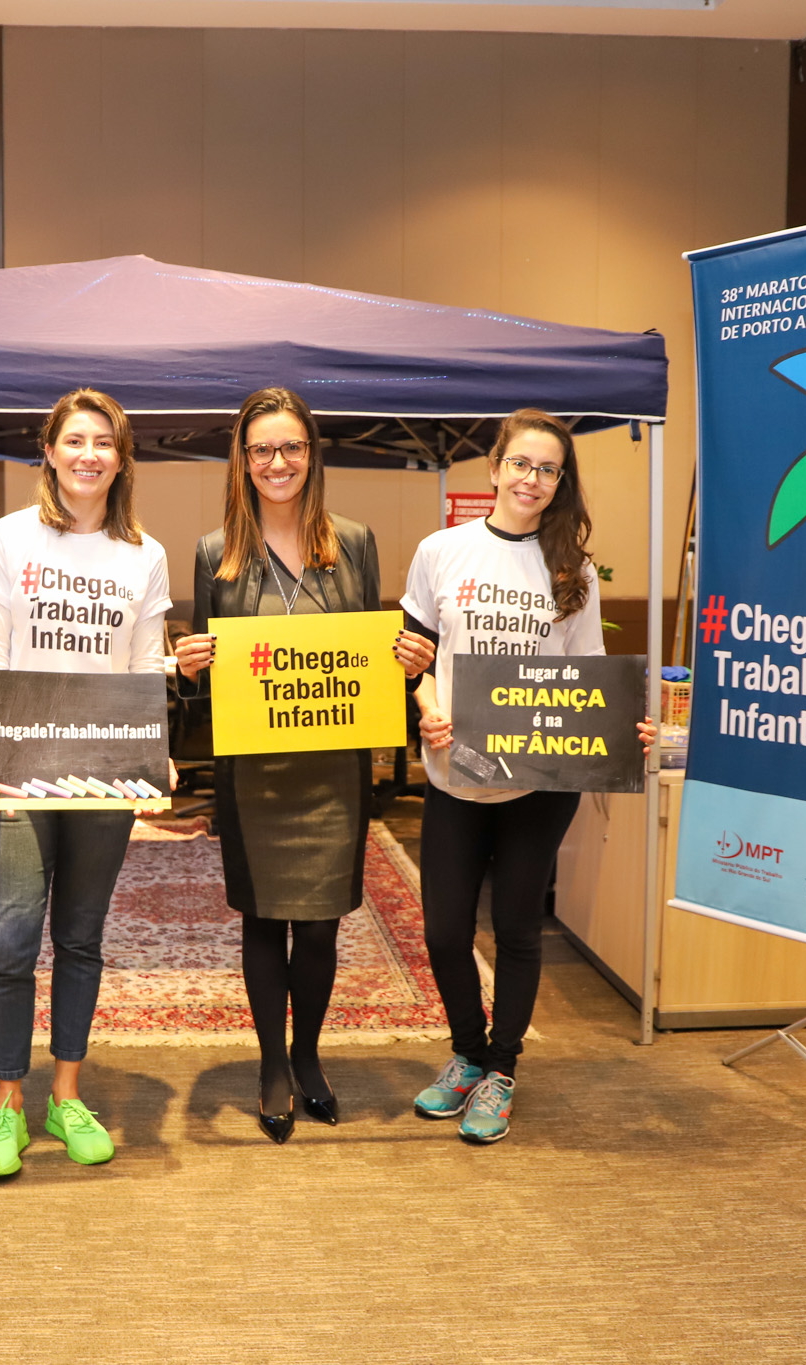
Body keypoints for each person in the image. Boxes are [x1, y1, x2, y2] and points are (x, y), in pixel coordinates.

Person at [172, 388, 434, 1143]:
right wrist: (193, 661)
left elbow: (373, 654)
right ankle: (271, 1066)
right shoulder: (212, 553)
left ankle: (309, 1054)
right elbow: (210, 670)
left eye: (291, 447)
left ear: (312, 455)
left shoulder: (353, 541)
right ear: (243, 461)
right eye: (262, 450)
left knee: (320, 926)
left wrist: (407, 657)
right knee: (263, 919)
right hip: (255, 771)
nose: (277, 462)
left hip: (333, 771)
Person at [400, 409, 653, 1144]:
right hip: (456, 772)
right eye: (522, 463)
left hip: (540, 782)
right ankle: (467, 1053)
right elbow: (416, 651)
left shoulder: (571, 568)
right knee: (446, 931)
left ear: (559, 481)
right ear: (495, 466)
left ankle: (500, 1069)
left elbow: (578, 681)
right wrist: (428, 706)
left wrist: (619, 726)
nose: (533, 479)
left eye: (548, 469)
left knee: (516, 925)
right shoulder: (441, 550)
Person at [0, 388, 173, 1178]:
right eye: (74, 440)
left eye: (104, 442)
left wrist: (156, 751)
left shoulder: (143, 553)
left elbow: (146, 663)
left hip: (104, 769)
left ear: (121, 459)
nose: (89, 454)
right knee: (12, 937)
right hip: (16, 770)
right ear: (47, 451)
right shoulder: (10, 539)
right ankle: (7, 1105)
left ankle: (68, 1093)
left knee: (80, 936)